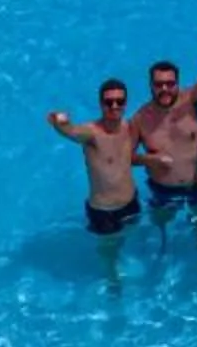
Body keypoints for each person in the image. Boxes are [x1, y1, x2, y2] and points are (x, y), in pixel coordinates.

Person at [133, 24, 197, 248]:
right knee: (161, 222)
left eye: (170, 84)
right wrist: (149, 160)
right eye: (159, 85)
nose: (165, 89)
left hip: (195, 182)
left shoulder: (191, 100)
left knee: (196, 211)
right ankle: (162, 241)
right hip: (162, 188)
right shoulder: (140, 119)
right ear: (150, 86)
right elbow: (124, 156)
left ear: (177, 83)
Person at [48, 81, 142, 267]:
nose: (114, 106)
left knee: (133, 239)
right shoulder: (91, 133)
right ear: (101, 105)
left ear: (125, 104)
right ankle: (113, 280)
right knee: (109, 254)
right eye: (109, 102)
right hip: (103, 213)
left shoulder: (130, 127)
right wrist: (61, 124)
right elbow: (72, 132)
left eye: (119, 101)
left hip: (131, 203)